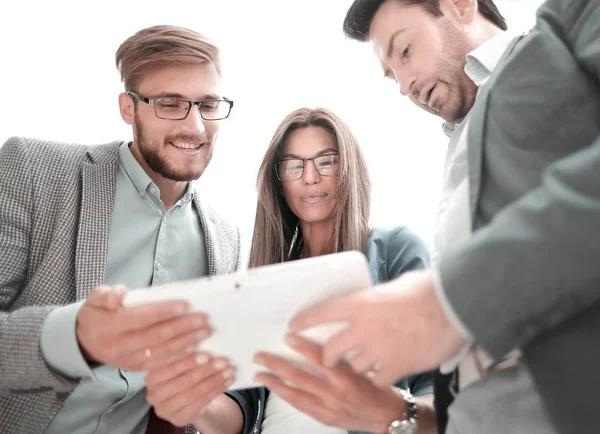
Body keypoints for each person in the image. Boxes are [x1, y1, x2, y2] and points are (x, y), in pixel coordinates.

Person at [290, 0, 600, 433]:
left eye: (405, 51)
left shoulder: (563, 31)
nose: (403, 86)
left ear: (459, 5)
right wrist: (403, 416)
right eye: (391, 75)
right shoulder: (456, 154)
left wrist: (445, 301)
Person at [0, 25, 261, 434]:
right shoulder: (33, 170)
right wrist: (73, 337)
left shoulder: (224, 241)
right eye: (170, 104)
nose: (195, 127)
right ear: (128, 108)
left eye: (208, 104)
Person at [247, 107, 436, 434]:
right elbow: (242, 402)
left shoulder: (395, 250)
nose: (310, 177)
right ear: (278, 183)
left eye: (326, 161)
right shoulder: (267, 276)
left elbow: (436, 386)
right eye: (294, 165)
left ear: (348, 169)